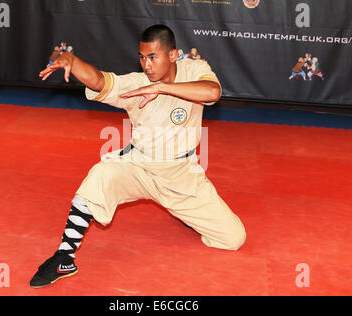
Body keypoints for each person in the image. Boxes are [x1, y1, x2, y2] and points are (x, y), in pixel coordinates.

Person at [30, 24, 246, 288]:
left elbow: (213, 93)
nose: (147, 65)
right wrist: (73, 62)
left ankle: (186, 213)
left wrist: (163, 89)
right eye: (142, 57)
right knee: (101, 174)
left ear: (173, 55)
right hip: (138, 166)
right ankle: (64, 257)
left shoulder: (195, 69)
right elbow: (100, 81)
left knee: (234, 239)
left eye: (153, 57)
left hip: (182, 174)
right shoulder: (136, 84)